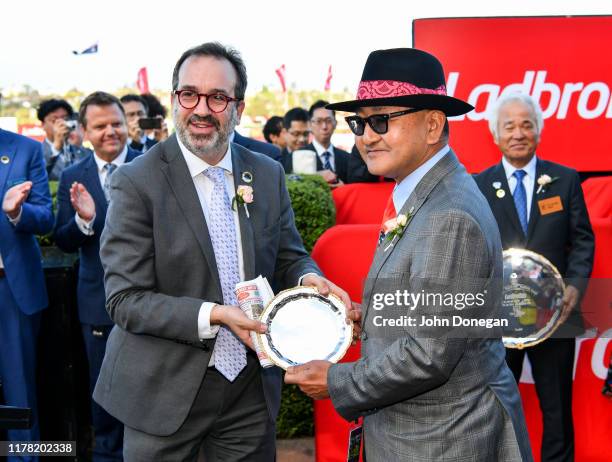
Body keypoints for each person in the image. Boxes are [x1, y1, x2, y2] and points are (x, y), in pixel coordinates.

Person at [93, 41, 349, 461]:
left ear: (239, 108)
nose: (201, 109)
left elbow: (288, 256)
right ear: (174, 99)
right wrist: (214, 314)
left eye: (217, 97)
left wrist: (308, 279)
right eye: (189, 94)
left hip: (249, 396)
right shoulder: (136, 182)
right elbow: (125, 301)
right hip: (162, 394)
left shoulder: (265, 173)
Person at [285, 48, 532, 461]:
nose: (366, 136)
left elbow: (428, 354)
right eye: (360, 123)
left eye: (381, 120)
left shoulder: (449, 213)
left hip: (445, 441)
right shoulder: (423, 192)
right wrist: (376, 314)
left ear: (433, 124)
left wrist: (337, 381)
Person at [474, 92, 594, 462]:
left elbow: (583, 241)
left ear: (538, 131)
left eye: (526, 124)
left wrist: (574, 285)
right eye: (508, 125)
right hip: (499, 319)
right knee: (497, 409)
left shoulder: (565, 179)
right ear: (495, 134)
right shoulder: (478, 185)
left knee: (557, 408)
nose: (518, 133)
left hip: (556, 317)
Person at [54, 91, 142, 461]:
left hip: (149, 300)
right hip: (97, 303)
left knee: (146, 389)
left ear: (127, 125)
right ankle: (108, 454)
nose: (111, 132)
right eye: (100, 126)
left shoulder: (151, 164)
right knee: (103, 391)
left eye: (117, 124)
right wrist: (84, 221)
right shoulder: (74, 176)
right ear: (85, 132)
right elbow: (62, 239)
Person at [0, 128, 53, 460]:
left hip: (11, 288)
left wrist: (15, 213)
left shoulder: (24, 149)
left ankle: (24, 458)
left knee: (19, 392)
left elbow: (46, 217)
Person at [37, 98, 91, 180]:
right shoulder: (35, 154)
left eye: (65, 119)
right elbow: (37, 176)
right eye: (54, 120)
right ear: (43, 125)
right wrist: (56, 147)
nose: (61, 124)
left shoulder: (86, 152)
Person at [279, 107, 310, 172]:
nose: (302, 139)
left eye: (306, 134)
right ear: (284, 133)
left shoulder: (318, 156)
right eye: (296, 134)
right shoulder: (277, 161)